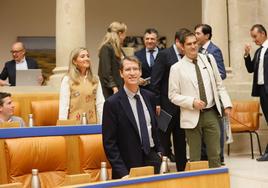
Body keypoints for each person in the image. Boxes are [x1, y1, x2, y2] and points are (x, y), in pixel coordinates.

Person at [169, 31, 232, 168]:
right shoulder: (176, 68)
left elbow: (219, 85)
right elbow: (173, 95)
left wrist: (226, 105)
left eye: (195, 43)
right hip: (191, 115)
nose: (193, 46)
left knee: (215, 154)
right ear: (182, 47)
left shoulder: (209, 59)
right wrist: (192, 102)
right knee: (195, 157)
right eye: (189, 44)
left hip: (211, 113)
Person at [102, 56, 163, 179]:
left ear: (140, 72)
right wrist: (122, 172)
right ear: (121, 73)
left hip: (152, 160)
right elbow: (109, 143)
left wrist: (160, 152)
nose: (132, 73)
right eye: (128, 69)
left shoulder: (150, 97)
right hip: (127, 165)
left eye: (135, 69)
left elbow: (155, 128)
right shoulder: (112, 103)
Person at [150, 28, 189, 171]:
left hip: (182, 108)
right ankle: (163, 171)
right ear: (177, 41)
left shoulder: (187, 57)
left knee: (181, 142)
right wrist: (157, 103)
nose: (187, 47)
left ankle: (182, 171)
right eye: (184, 44)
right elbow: (155, 82)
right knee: (163, 142)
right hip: (165, 107)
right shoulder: (164, 55)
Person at [195, 24, 227, 164]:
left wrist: (206, 77)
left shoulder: (214, 50)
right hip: (201, 98)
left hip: (213, 97)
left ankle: (218, 157)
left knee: (215, 128)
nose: (195, 36)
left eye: (198, 33)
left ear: (207, 35)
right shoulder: (197, 51)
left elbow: (222, 73)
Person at [59, 47, 104, 124]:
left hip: (92, 125)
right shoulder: (67, 79)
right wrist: (62, 128)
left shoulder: (95, 79)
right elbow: (64, 106)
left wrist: (103, 125)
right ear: (74, 61)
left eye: (88, 56)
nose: (86, 58)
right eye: (82, 56)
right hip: (73, 127)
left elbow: (100, 104)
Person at [244, 24, 268, 161]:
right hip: (263, 92)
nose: (254, 40)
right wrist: (247, 55)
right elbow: (250, 69)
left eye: (255, 36)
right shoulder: (259, 51)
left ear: (263, 33)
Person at [98, 21, 127, 99]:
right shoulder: (106, 48)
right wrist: (113, 86)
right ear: (120, 34)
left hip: (121, 88)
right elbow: (105, 71)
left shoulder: (119, 49)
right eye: (125, 34)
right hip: (112, 91)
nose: (125, 36)